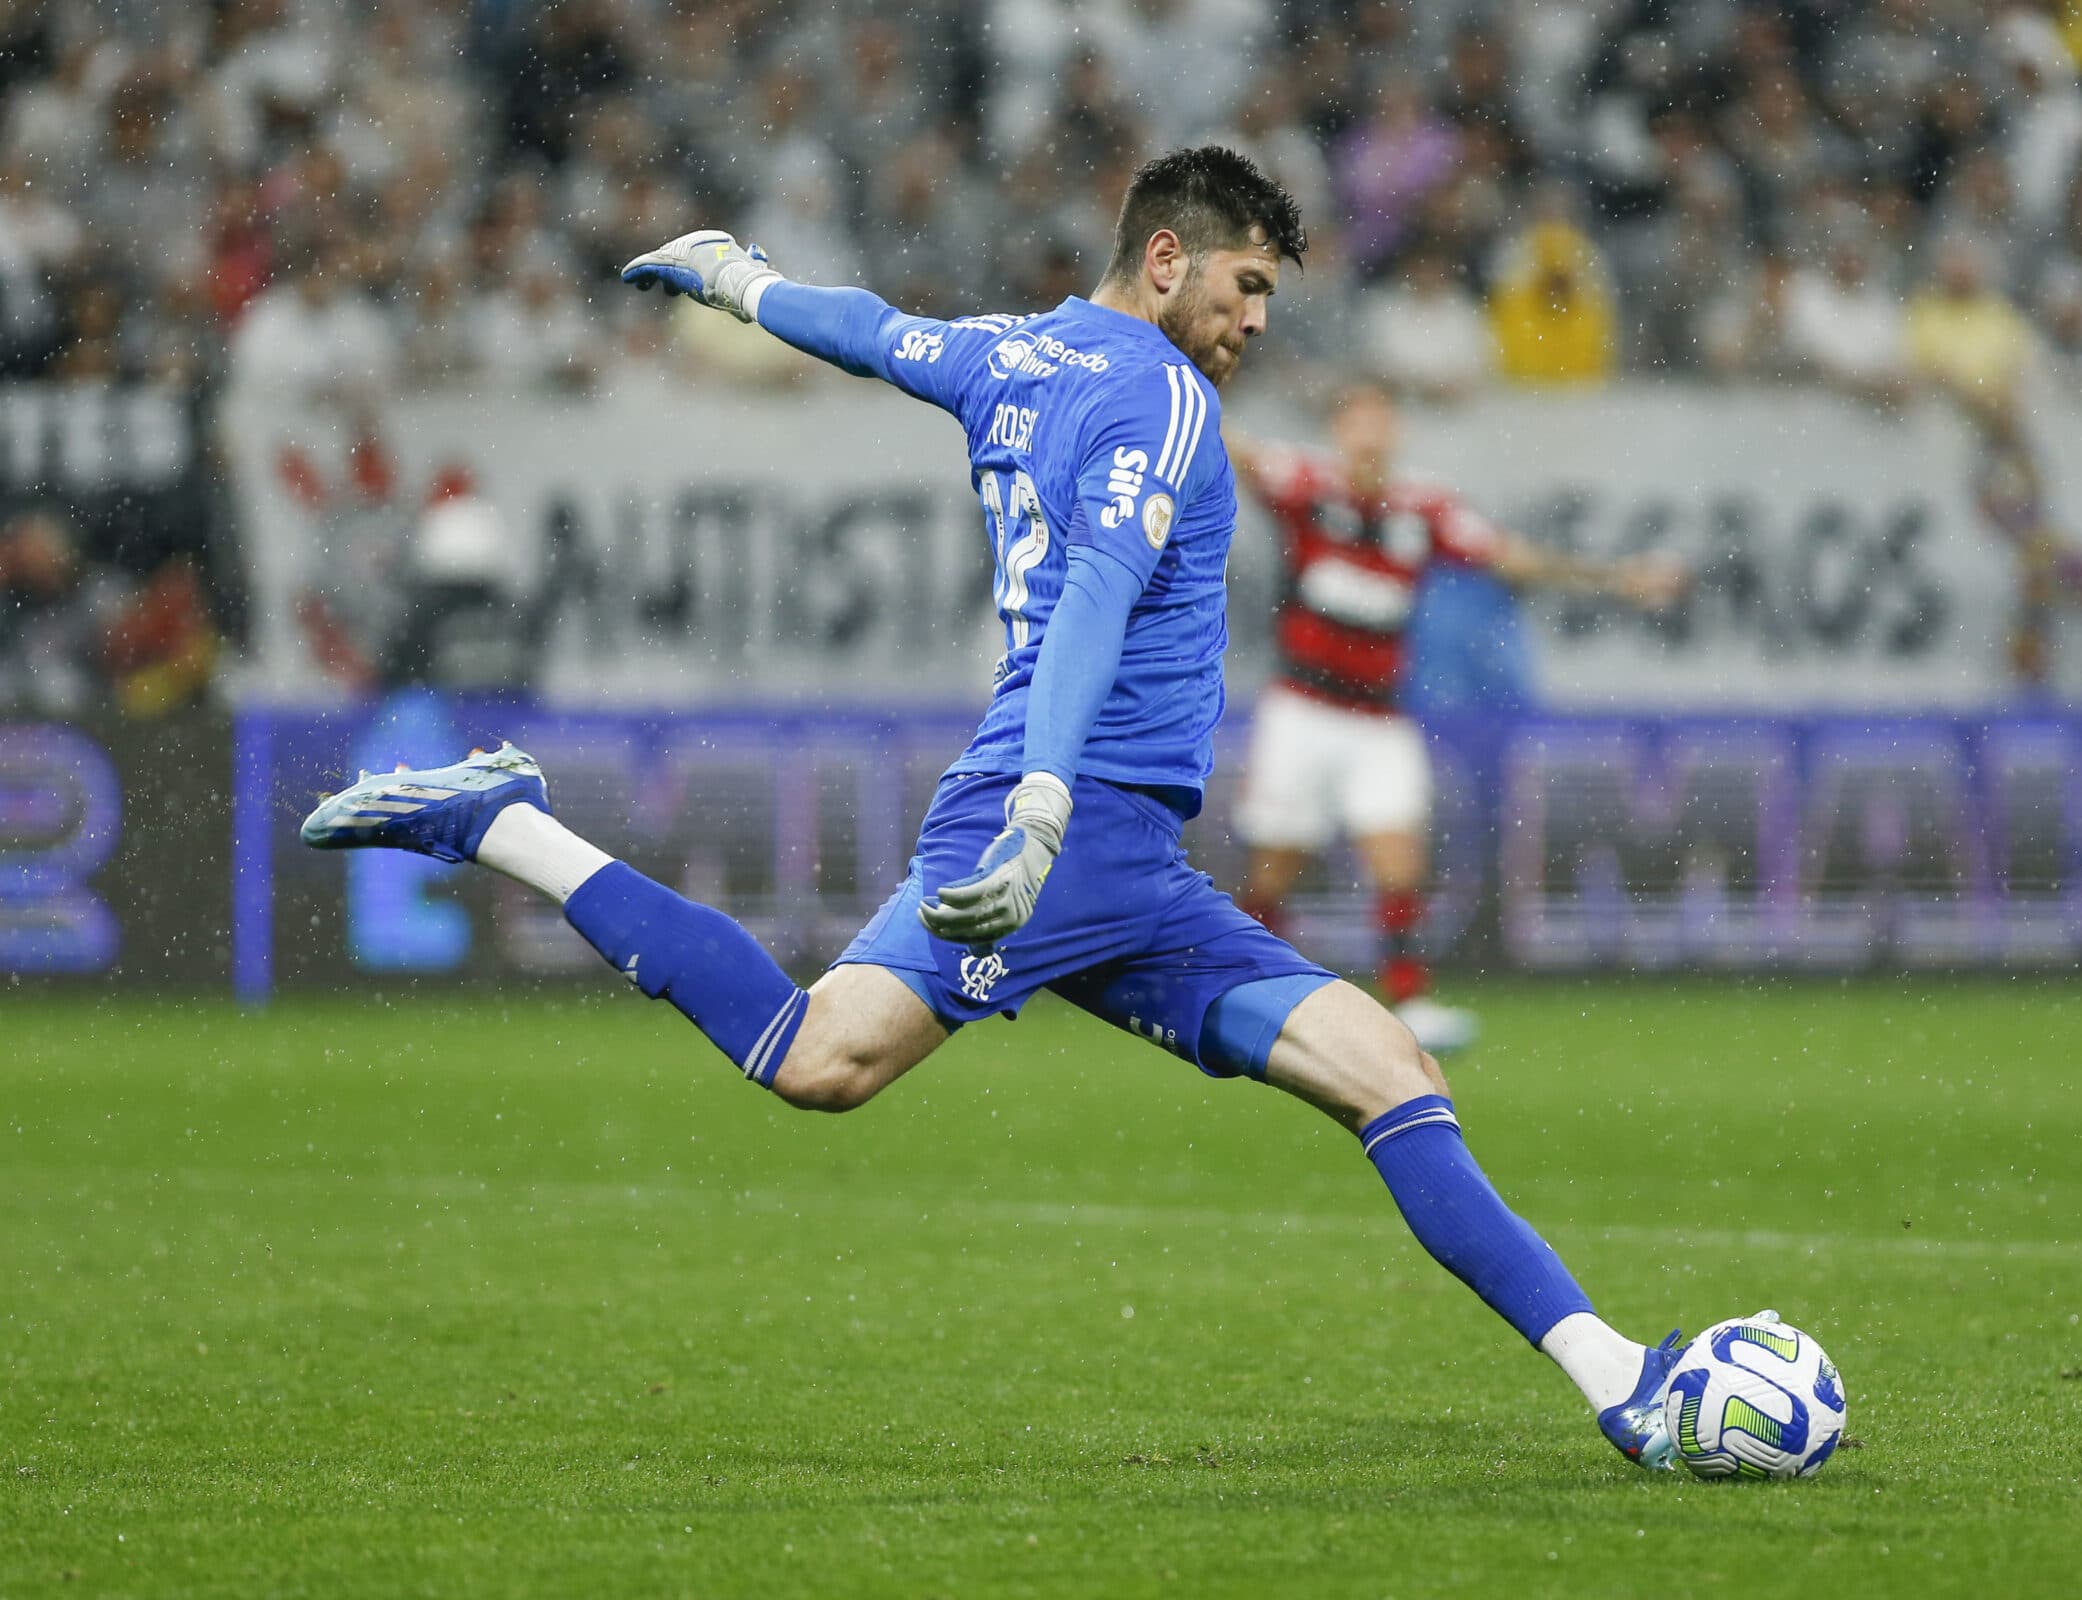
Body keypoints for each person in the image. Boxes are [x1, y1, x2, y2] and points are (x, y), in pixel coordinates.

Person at [299, 147, 1720, 1471]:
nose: (1258, 323)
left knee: (1391, 1070)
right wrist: (1042, 801)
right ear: (1168, 261)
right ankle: (501, 823)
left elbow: (873, 331)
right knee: (818, 1059)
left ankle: (1622, 1386)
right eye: (1249, 288)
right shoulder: (1164, 399)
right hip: (1058, 821)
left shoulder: (1012, 355)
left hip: (1124, 858)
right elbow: (1098, 593)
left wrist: (742, 284)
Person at [1227, 381, 1686, 1053]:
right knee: (1274, 868)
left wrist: (1615, 578)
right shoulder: (1306, 486)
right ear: (1337, 429)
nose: (1370, 435)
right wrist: (1169, 379)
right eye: (1358, 420)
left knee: (1399, 859)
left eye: (1381, 421)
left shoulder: (1425, 508)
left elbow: (1510, 558)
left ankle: (1409, 999)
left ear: (1397, 434)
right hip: (1303, 709)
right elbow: (1238, 449)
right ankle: (1243, 987)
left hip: (1378, 719)